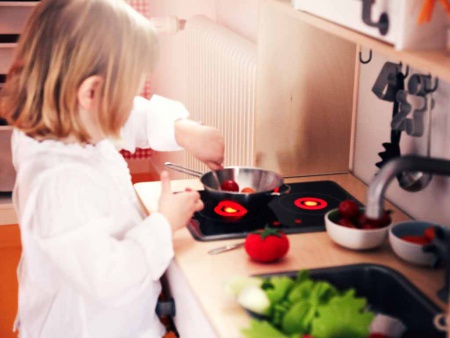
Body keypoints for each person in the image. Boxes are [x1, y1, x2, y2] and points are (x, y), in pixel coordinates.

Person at [0, 0, 224, 337]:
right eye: (128, 90)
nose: (129, 103)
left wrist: (181, 128)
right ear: (90, 92)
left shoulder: (67, 121)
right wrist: (164, 222)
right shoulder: (58, 182)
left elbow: (127, 115)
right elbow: (108, 275)